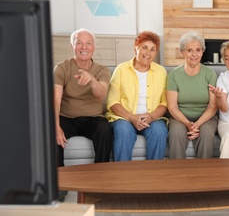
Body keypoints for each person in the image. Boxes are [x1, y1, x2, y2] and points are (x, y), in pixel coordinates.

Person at [54, 28, 112, 167]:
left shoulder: (102, 70)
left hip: (93, 119)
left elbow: (101, 95)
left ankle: (100, 180)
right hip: (66, 118)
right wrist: (55, 126)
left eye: (88, 43)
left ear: (93, 47)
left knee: (104, 130)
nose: (84, 47)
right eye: (79, 43)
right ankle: (59, 184)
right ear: (72, 46)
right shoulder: (61, 68)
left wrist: (92, 80)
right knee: (51, 134)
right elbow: (55, 101)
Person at [105, 31, 168, 161]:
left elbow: (164, 103)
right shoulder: (121, 69)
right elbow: (112, 101)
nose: (148, 53)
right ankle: (123, 174)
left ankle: (154, 174)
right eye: (144, 47)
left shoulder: (161, 72)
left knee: (159, 131)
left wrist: (151, 117)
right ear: (136, 48)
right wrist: (132, 118)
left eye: (152, 49)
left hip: (151, 118)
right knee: (124, 131)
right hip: (124, 118)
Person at [166, 31, 218, 159]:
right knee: (176, 133)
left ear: (202, 52)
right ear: (182, 52)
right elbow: (172, 107)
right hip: (180, 116)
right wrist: (188, 123)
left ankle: (203, 174)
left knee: (206, 134)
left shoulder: (210, 74)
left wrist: (197, 124)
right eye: (190, 50)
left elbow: (212, 106)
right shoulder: (173, 75)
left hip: (206, 117)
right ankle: (178, 173)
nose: (194, 54)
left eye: (198, 50)